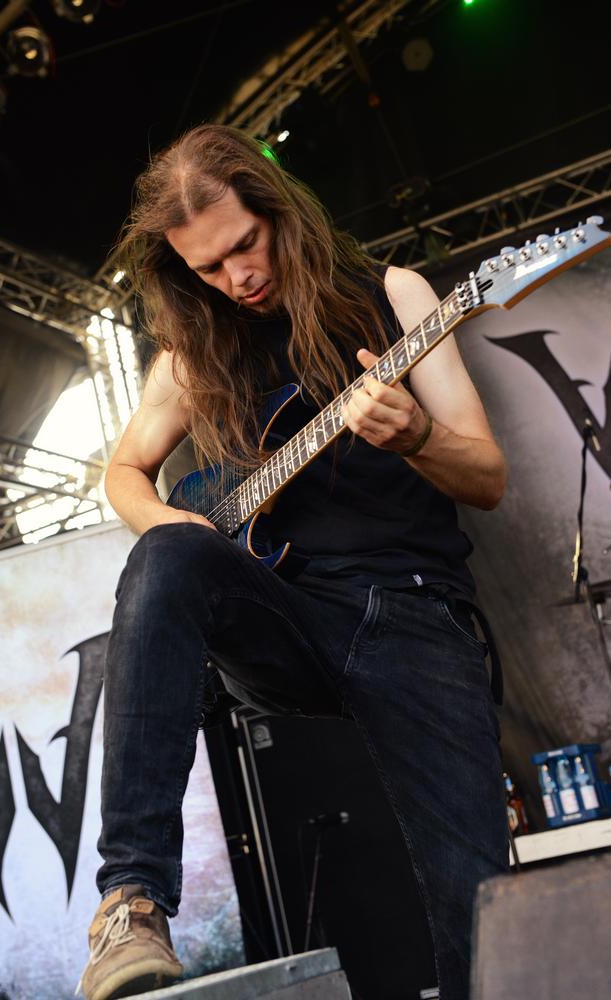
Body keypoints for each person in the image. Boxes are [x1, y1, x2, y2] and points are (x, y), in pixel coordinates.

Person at [77, 124, 508, 1000]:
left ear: (278, 212)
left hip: (411, 614)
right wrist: (172, 524)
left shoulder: (393, 294)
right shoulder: (194, 351)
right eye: (208, 267)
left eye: (246, 244)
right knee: (166, 553)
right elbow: (121, 473)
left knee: (483, 923)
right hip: (289, 617)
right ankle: (131, 900)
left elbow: (487, 478)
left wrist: (417, 437)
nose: (237, 277)